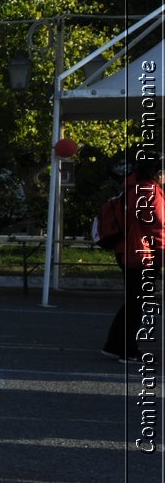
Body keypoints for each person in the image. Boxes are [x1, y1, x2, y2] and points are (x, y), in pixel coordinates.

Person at [102, 154, 164, 362]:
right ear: (158, 172)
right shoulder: (150, 191)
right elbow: (159, 227)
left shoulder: (130, 189)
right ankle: (127, 349)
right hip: (143, 254)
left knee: (132, 301)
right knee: (137, 303)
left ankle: (114, 345)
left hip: (127, 251)